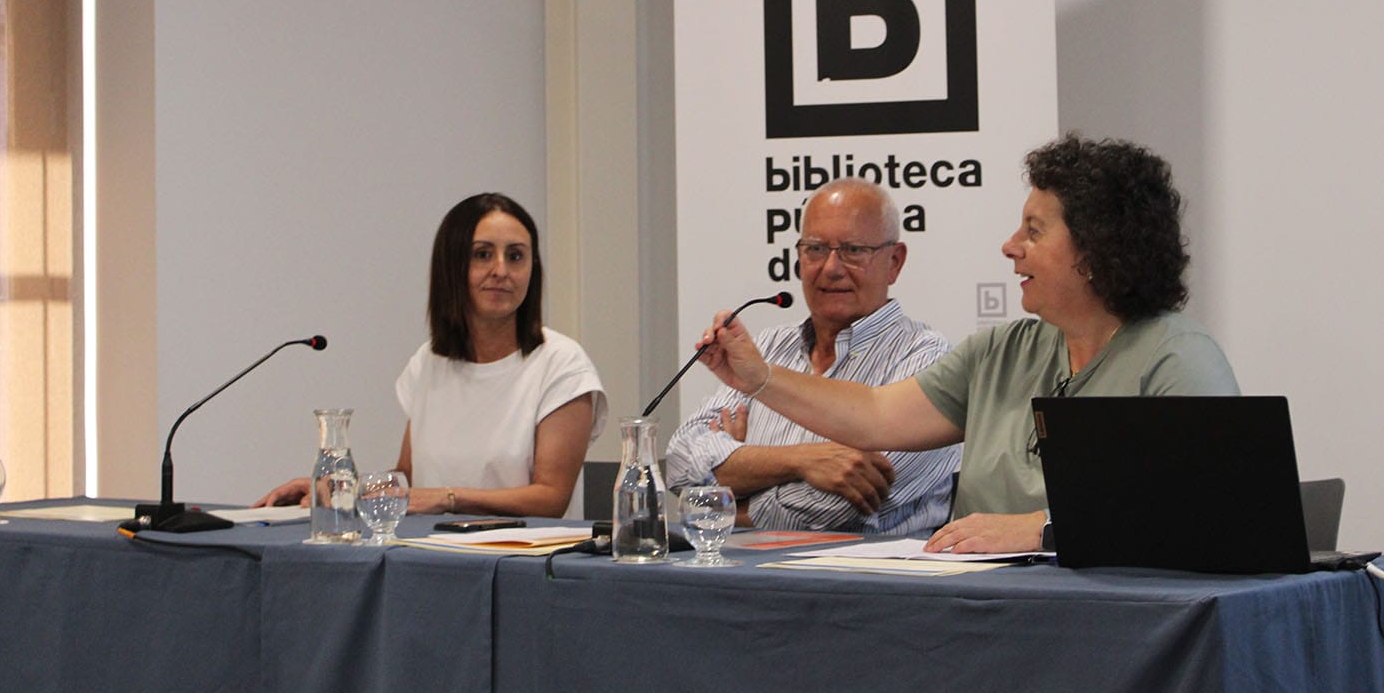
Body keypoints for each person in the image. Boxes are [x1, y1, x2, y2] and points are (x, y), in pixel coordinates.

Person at [694, 135, 1237, 555]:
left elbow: (1204, 509)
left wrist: (1040, 528)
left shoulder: (1176, 357)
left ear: (1096, 251)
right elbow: (876, 415)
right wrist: (758, 378)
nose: (1010, 246)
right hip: (986, 609)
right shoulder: (1001, 352)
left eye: (1033, 230)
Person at [254, 192, 606, 518]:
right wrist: (338, 487)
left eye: (515, 256)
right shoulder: (428, 362)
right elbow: (406, 480)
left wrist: (448, 498)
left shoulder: (562, 364)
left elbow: (550, 498)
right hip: (430, 554)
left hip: (522, 563)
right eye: (482, 254)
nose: (501, 270)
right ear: (451, 267)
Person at [665, 178, 960, 535]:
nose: (831, 268)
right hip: (744, 577)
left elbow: (836, 510)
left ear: (895, 262)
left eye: (853, 250)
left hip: (865, 582)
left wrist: (721, 495)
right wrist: (802, 461)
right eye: (816, 249)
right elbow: (680, 461)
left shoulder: (924, 358)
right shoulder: (772, 346)